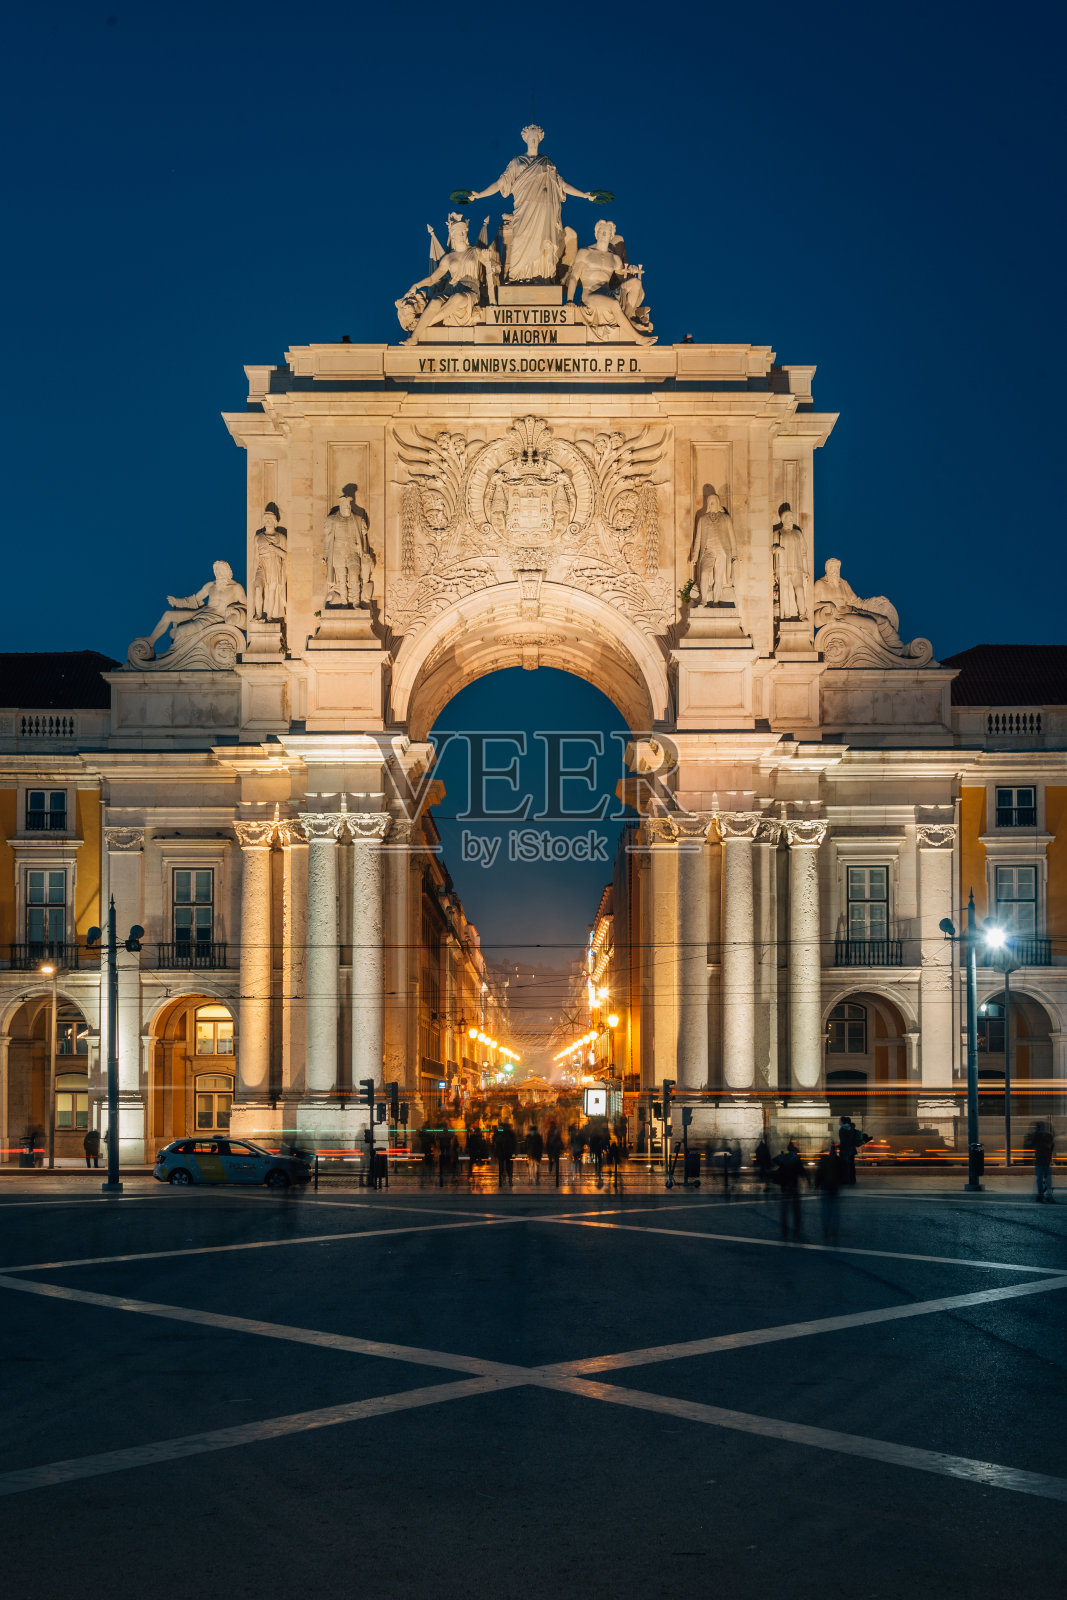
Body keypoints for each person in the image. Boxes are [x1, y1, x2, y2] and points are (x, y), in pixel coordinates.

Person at [456, 123, 602, 284]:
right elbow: (500, 183)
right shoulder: (516, 162)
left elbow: (562, 185)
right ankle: (518, 277)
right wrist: (480, 194)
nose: (533, 140)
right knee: (520, 240)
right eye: (530, 137)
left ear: (540, 139)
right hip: (524, 209)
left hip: (544, 209)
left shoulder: (547, 162)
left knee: (543, 242)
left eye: (535, 137)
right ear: (525, 138)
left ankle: (543, 277)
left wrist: (584, 194)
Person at [565, 218, 653, 342]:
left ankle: (625, 319)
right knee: (613, 304)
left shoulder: (615, 258)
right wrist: (570, 300)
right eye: (601, 230)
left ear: (612, 235)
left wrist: (632, 270)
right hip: (590, 296)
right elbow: (573, 277)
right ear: (596, 233)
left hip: (607, 293)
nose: (604, 233)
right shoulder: (585, 252)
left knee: (636, 283)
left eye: (608, 231)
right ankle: (638, 338)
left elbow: (623, 277)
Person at [689, 487, 737, 606]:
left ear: (718, 503)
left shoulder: (726, 518)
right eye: (710, 502)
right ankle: (704, 599)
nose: (712, 504)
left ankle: (715, 601)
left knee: (718, 577)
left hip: (722, 552)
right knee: (704, 574)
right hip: (708, 551)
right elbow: (698, 539)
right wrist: (694, 556)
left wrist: (735, 555)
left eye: (714, 502)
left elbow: (732, 538)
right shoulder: (702, 519)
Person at [773, 1140, 809, 1240]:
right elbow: (802, 1171)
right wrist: (807, 1180)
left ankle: (784, 1230)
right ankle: (797, 1229)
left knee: (785, 1210)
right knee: (796, 1209)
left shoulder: (784, 1157)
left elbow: (774, 1160)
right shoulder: (796, 1158)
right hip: (794, 1186)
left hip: (785, 1187)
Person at [814, 1142, 843, 1244]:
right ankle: (834, 1231)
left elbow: (819, 1173)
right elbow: (842, 1174)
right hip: (834, 1189)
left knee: (825, 1211)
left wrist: (816, 1185)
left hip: (825, 1188)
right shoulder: (838, 1160)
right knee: (835, 1212)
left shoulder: (824, 1160)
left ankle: (825, 1230)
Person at [1024, 1120, 1056, 1203]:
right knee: (1047, 1179)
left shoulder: (1039, 1136)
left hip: (1040, 1160)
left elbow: (1031, 1144)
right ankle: (1047, 1195)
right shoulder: (1046, 1135)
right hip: (1045, 1160)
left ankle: (1041, 1195)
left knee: (1040, 1179)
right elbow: (1051, 1146)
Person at [492, 1121, 516, 1189]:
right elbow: (514, 1142)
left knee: (501, 1167)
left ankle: (501, 1181)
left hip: (501, 1152)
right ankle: (510, 1180)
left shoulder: (500, 1130)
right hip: (508, 1152)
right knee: (509, 1166)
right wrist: (514, 1152)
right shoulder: (510, 1131)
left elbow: (494, 1138)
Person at [546, 1121, 564, 1187]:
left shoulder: (549, 1132)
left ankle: (551, 1166)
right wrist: (562, 1147)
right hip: (556, 1149)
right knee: (557, 1163)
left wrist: (546, 1149)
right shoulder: (557, 1131)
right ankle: (557, 1180)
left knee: (551, 1160)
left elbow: (547, 1141)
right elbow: (560, 1140)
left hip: (551, 1149)